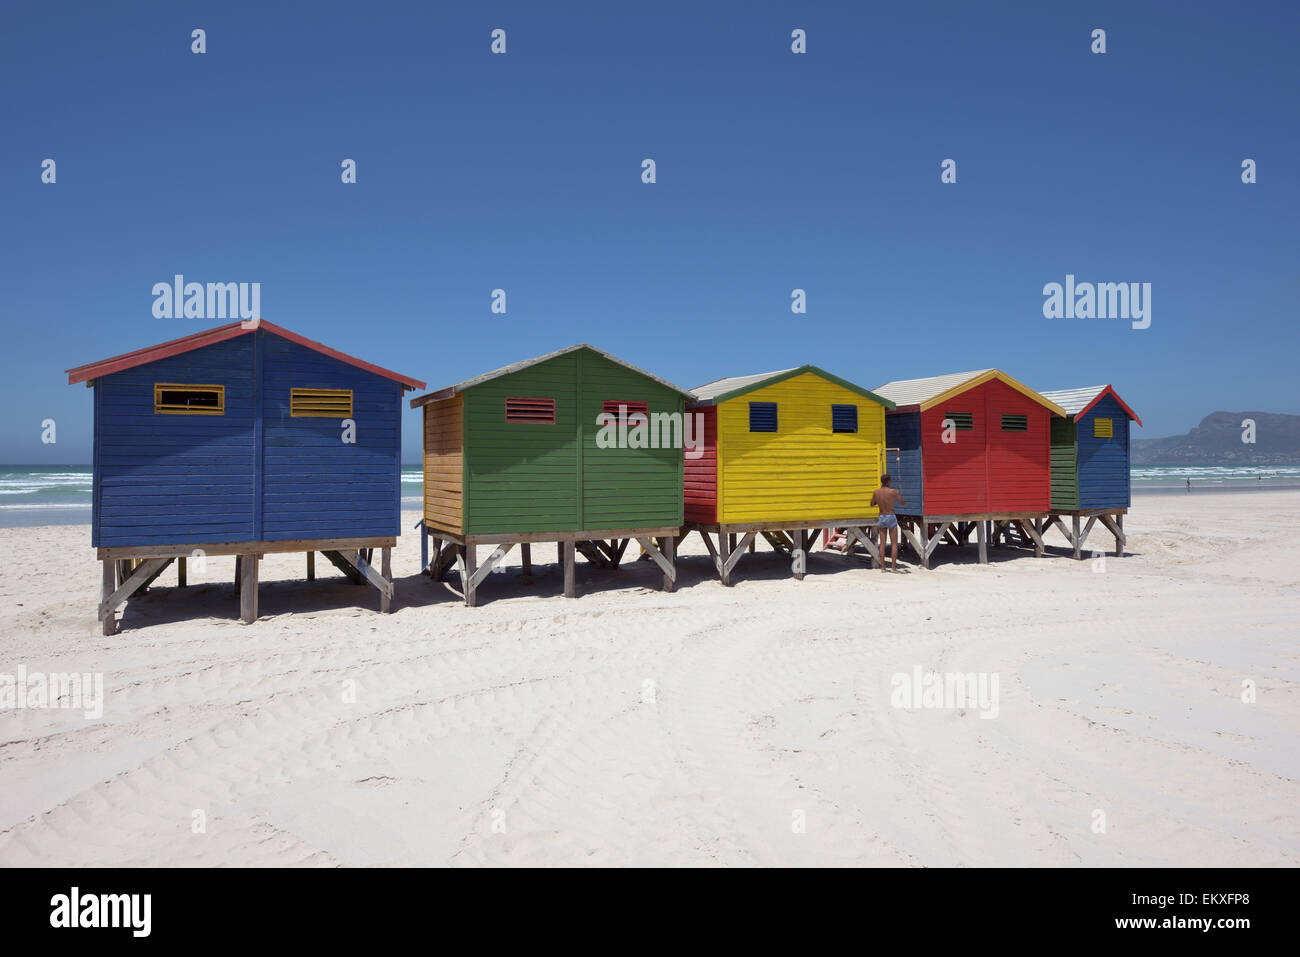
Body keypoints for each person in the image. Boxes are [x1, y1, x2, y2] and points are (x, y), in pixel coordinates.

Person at [870, 475, 906, 572]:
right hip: (891, 516)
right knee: (894, 543)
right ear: (888, 481)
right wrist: (898, 494)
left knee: (882, 543)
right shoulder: (893, 491)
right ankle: (893, 568)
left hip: (882, 516)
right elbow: (903, 502)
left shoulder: (876, 492)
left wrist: (879, 500)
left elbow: (871, 504)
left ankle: (883, 568)